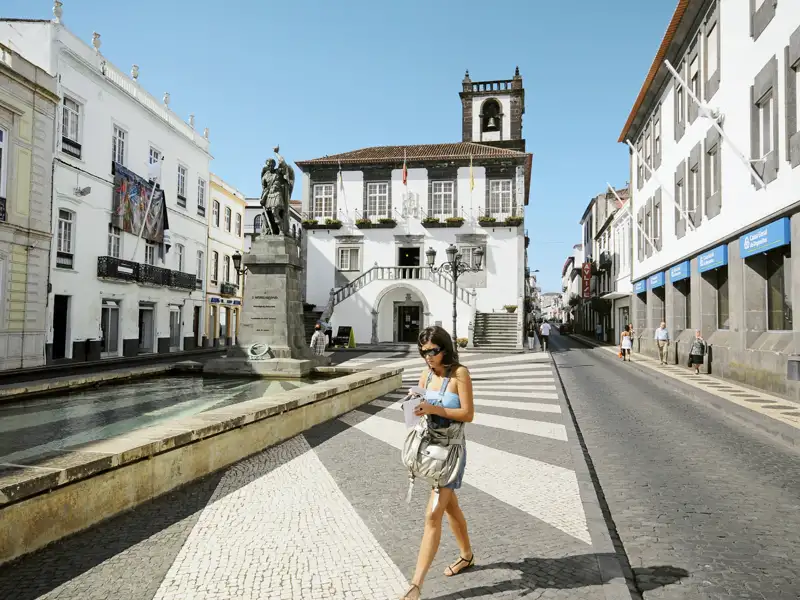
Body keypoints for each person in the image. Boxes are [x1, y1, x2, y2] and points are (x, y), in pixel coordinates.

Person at [402, 326, 475, 600]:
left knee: (432, 514)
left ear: (444, 348)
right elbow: (421, 401)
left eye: (432, 351)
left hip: (451, 454)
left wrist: (434, 408)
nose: (428, 357)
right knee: (450, 507)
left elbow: (468, 414)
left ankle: (415, 586)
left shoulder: (460, 374)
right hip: (431, 451)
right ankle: (466, 555)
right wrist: (414, 403)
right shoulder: (426, 374)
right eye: (423, 353)